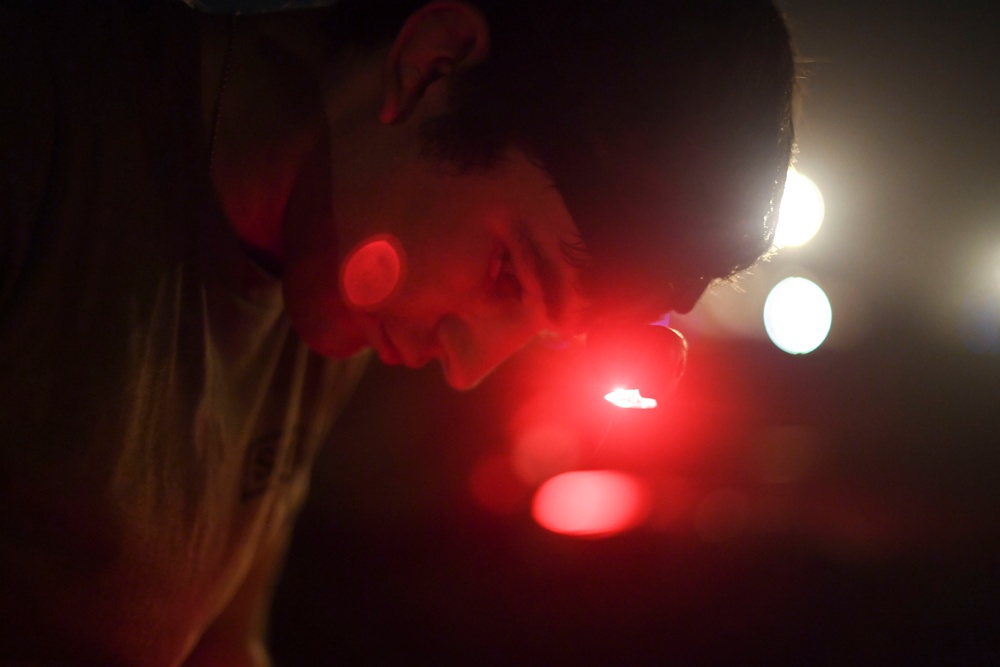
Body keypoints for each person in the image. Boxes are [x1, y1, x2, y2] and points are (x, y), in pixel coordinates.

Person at [0, 0, 795, 663]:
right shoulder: (45, 123)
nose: (466, 366)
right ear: (433, 64)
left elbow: (219, 643)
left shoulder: (331, 262)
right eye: (508, 273)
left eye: (542, 332)